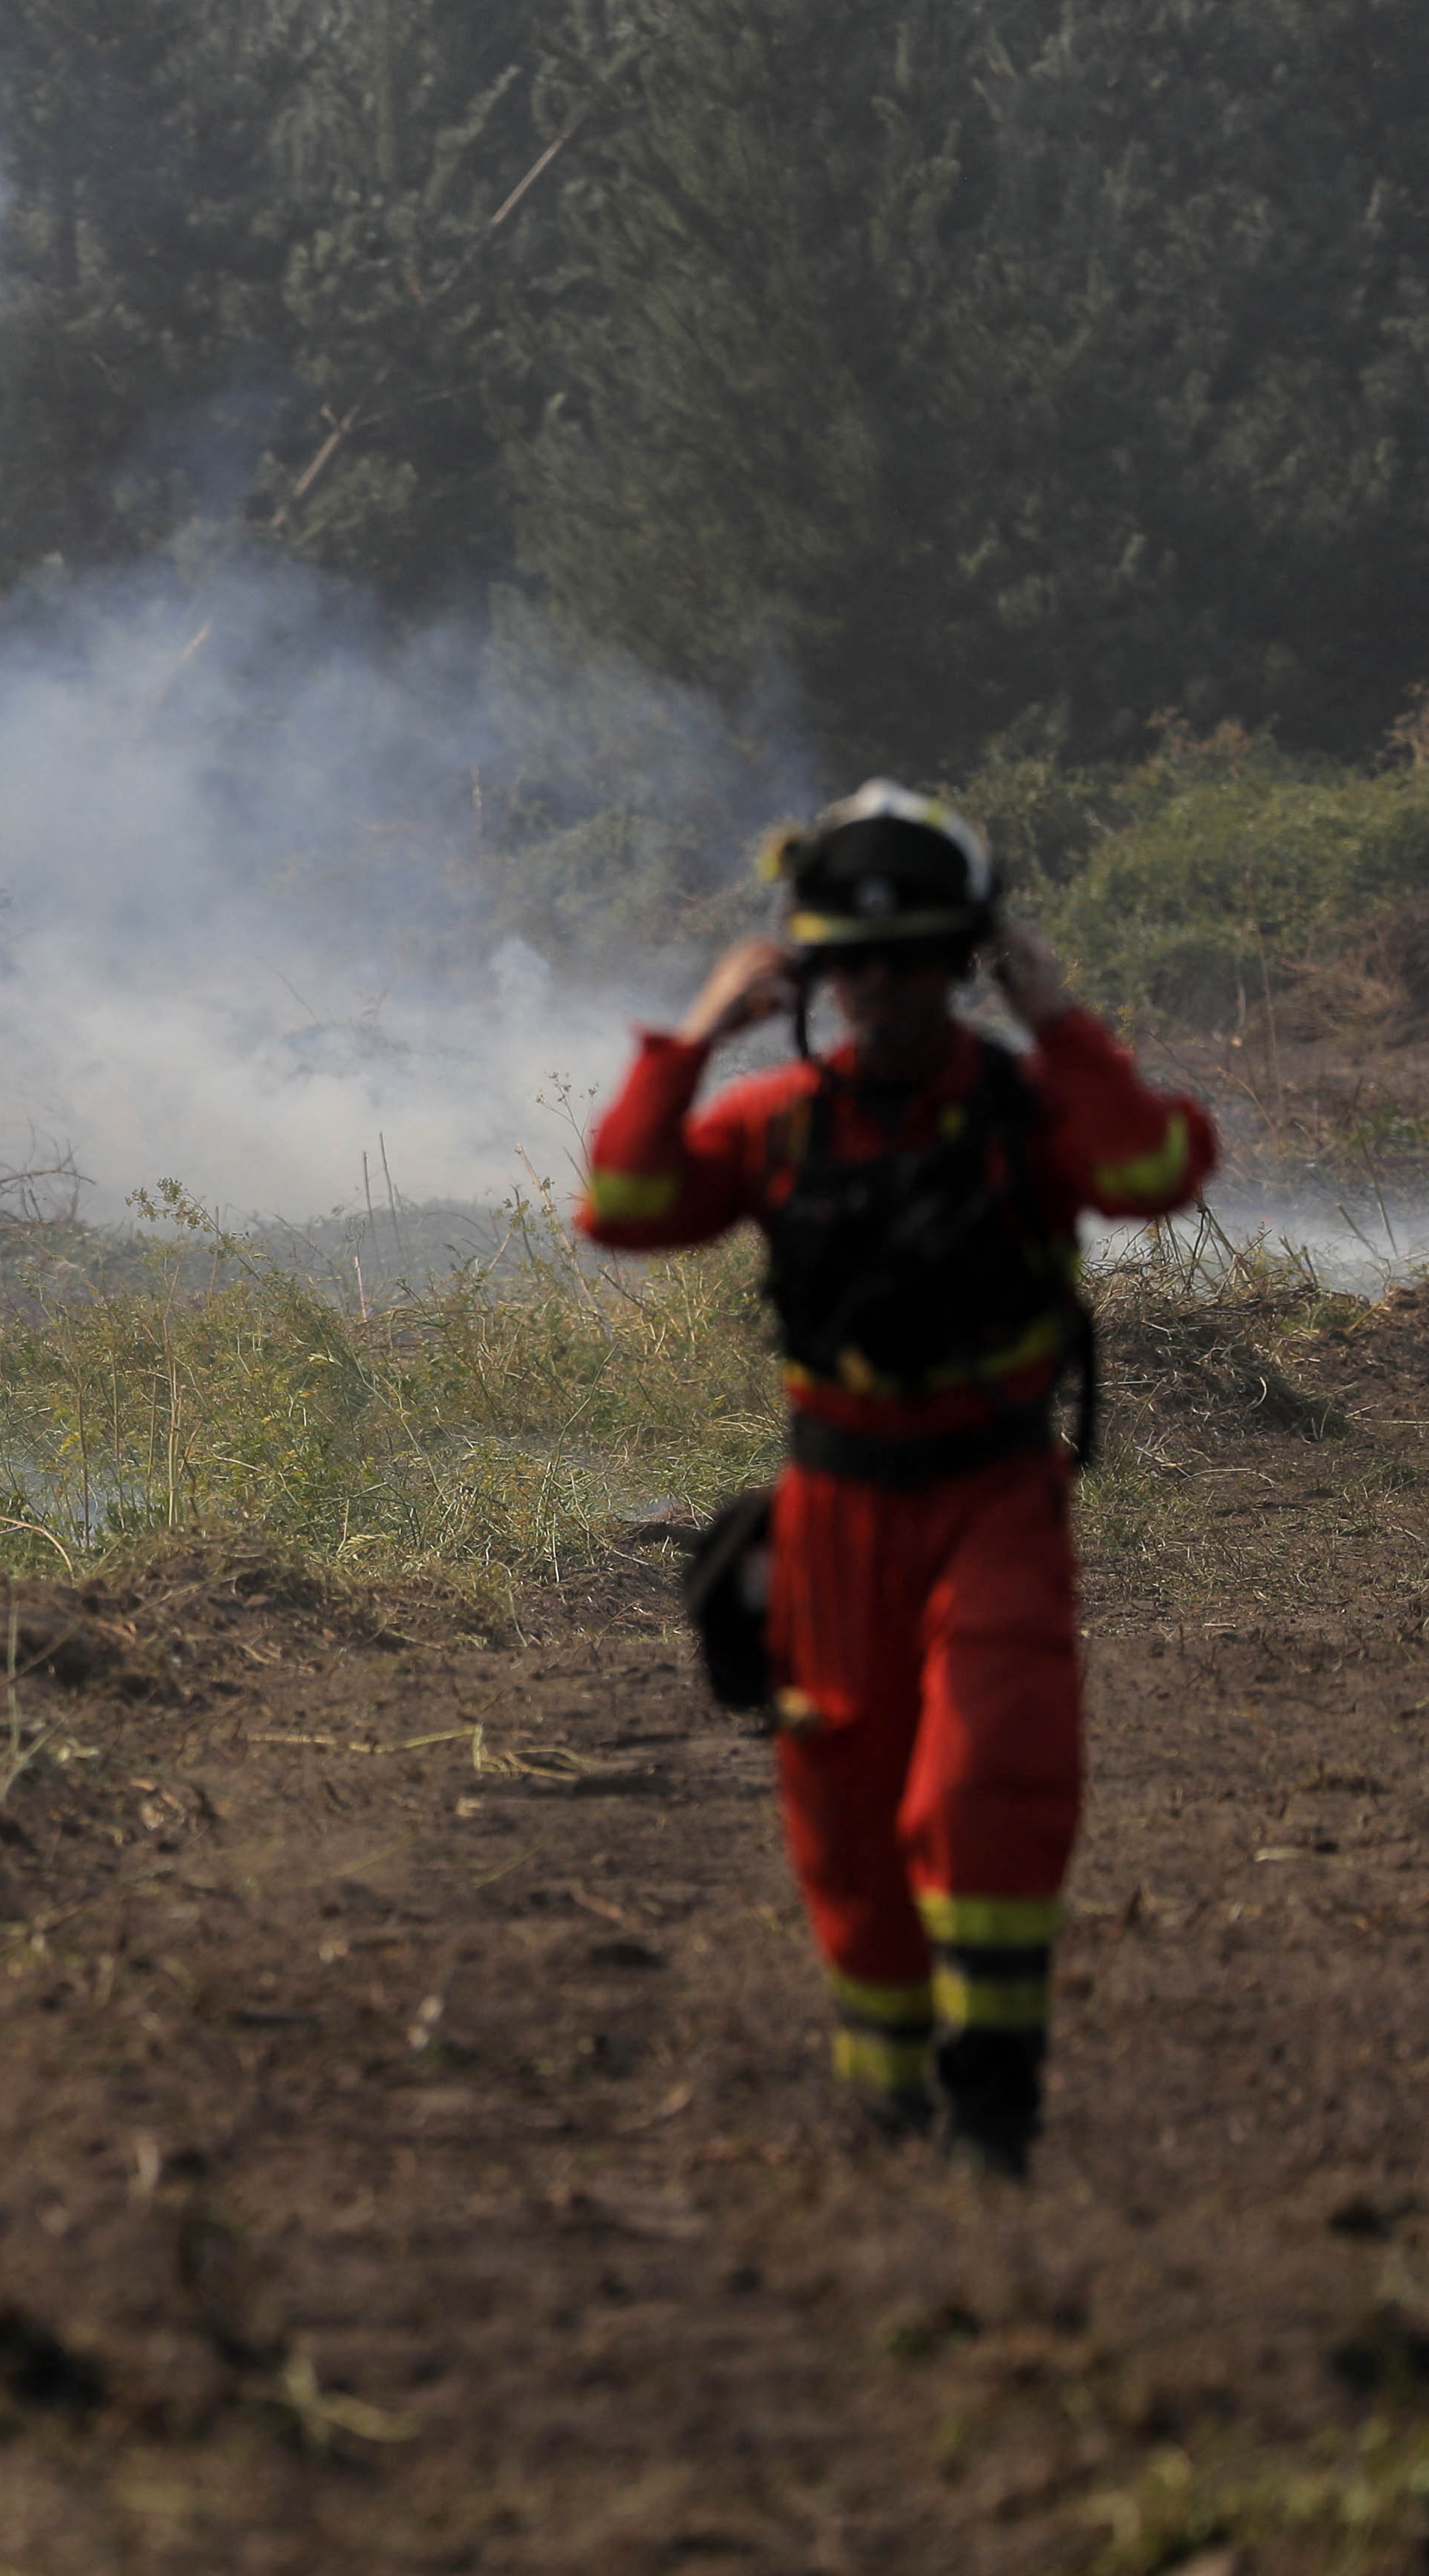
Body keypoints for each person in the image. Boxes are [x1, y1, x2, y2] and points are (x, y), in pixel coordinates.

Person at [576, 781, 1218, 2178]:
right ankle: (887, 2110)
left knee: (992, 1774)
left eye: (916, 956)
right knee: (848, 1827)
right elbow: (620, 1207)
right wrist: (693, 1034)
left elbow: (1155, 1168)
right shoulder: (777, 1123)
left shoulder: (1027, 1106)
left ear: (962, 960)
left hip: (993, 1496)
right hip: (832, 1515)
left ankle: (993, 2098)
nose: (884, 986)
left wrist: (1052, 1012)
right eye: (854, 961)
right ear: (817, 970)